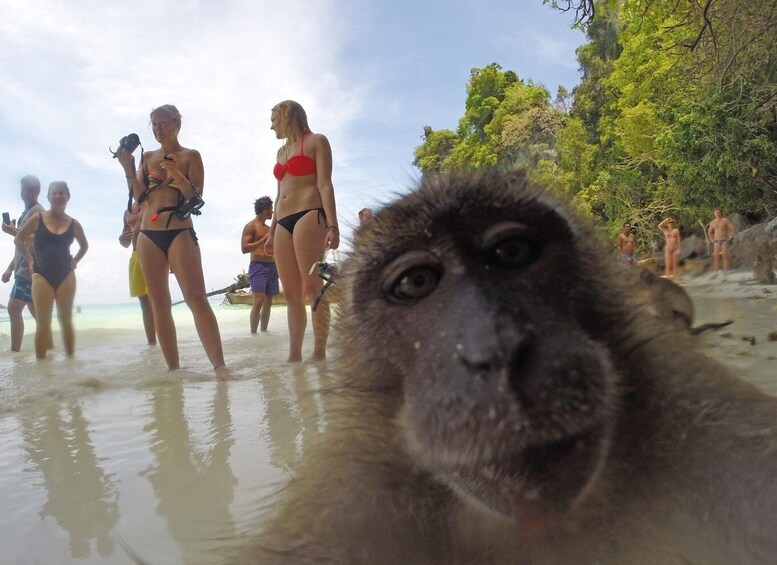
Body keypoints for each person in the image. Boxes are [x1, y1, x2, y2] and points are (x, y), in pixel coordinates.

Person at [115, 104, 232, 380]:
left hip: (180, 230)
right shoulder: (147, 157)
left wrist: (177, 175)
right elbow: (141, 198)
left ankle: (220, 367)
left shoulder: (191, 156)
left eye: (162, 123)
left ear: (177, 123)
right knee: (159, 303)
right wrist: (129, 168)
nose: (157, 128)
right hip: (148, 235)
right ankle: (173, 369)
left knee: (196, 298)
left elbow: (196, 199)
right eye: (153, 124)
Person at [265, 100, 339, 363]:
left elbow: (325, 184)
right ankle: (294, 354)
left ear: (287, 116)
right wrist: (272, 230)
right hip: (283, 220)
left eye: (274, 119)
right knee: (291, 292)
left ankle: (319, 352)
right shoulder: (281, 152)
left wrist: (333, 225)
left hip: (309, 214)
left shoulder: (317, 141)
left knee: (312, 286)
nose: (271, 125)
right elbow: (278, 194)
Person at [14, 181, 88, 359]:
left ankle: (70, 365)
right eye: (54, 193)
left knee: (66, 321)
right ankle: (42, 371)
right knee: (43, 323)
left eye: (62, 193)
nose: (58, 196)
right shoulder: (38, 218)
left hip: (66, 275)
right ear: (48, 197)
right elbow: (19, 239)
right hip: (41, 274)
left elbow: (84, 246)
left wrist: (76, 260)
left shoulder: (73, 223)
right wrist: (30, 260)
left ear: (68, 196)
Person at [2, 175, 46, 352]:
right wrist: (9, 268)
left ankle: (15, 353)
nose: (24, 193)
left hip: (30, 269)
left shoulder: (37, 211)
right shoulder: (25, 215)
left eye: (29, 190)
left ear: (37, 192)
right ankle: (48, 350)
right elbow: (21, 245)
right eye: (23, 189)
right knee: (38, 316)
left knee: (13, 309)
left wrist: (15, 233)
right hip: (23, 268)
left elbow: (41, 241)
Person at [119, 202, 156, 344]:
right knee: (144, 302)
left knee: (158, 298)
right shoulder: (127, 211)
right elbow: (125, 242)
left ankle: (166, 342)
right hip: (135, 253)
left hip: (155, 251)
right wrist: (122, 240)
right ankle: (152, 345)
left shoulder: (154, 200)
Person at [241, 196, 279, 333]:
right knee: (258, 300)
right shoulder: (251, 226)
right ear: (265, 209)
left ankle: (264, 332)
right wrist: (262, 240)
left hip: (273, 266)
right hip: (258, 266)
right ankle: (253, 334)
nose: (272, 212)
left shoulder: (270, 229)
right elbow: (244, 248)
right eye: (271, 209)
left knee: (268, 301)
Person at [707, 209, 737, 275]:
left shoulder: (725, 220)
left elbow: (733, 228)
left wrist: (731, 236)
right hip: (716, 241)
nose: (717, 213)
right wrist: (712, 239)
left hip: (724, 240)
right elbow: (709, 232)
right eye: (716, 212)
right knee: (716, 256)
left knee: (725, 255)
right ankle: (716, 271)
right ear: (714, 214)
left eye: (718, 212)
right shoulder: (712, 222)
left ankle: (726, 270)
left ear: (720, 213)